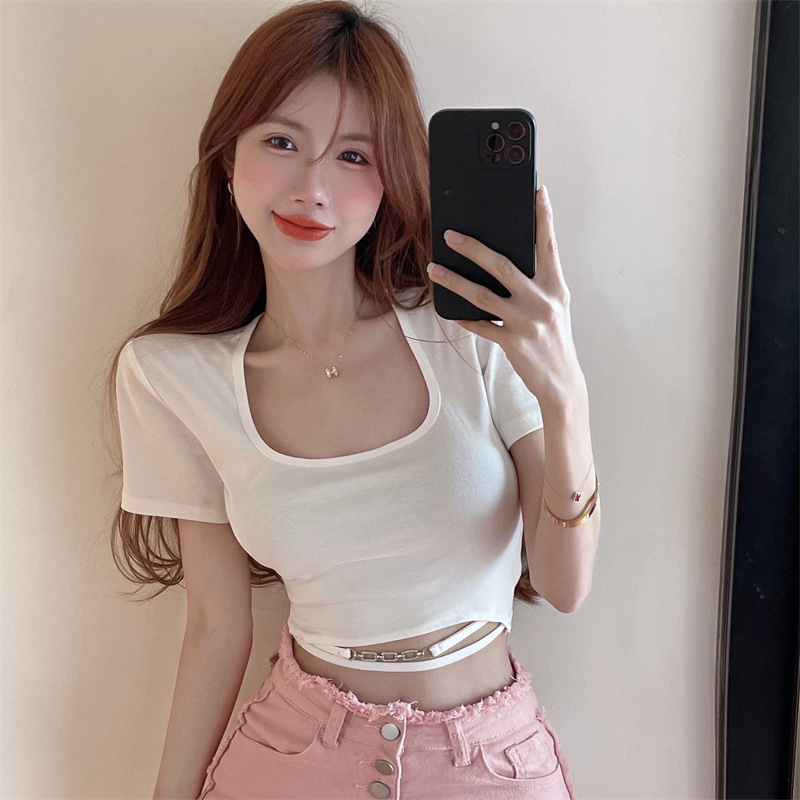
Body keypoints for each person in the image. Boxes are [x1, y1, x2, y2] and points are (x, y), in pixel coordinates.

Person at [106, 1, 601, 798]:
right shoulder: (172, 377)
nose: (312, 188)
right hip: (291, 757)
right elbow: (217, 628)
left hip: (487, 767)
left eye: (353, 155)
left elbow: (566, 586)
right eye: (281, 142)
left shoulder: (472, 334)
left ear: (389, 180)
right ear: (228, 156)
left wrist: (564, 394)